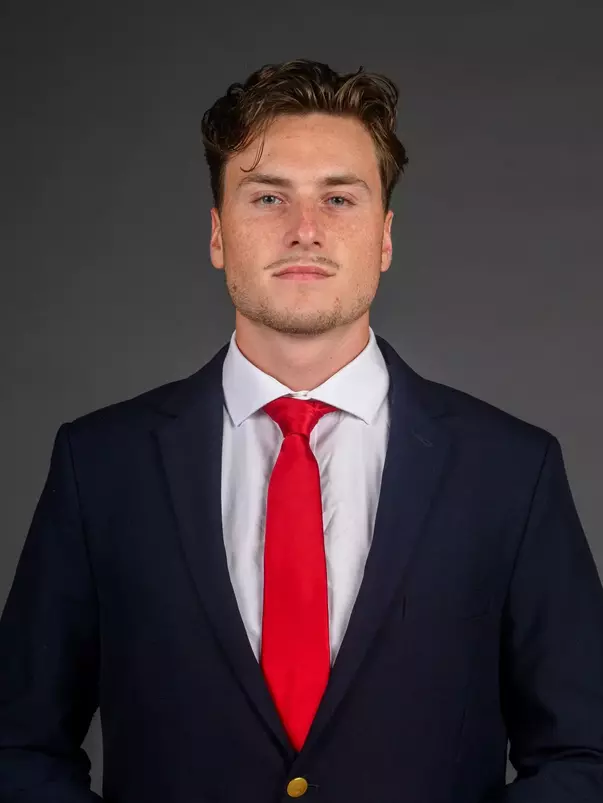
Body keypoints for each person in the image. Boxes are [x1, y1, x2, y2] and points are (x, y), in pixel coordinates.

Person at [0, 58, 602, 803]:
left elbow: (582, 751)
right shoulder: (100, 465)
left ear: (383, 238)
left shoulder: (512, 469)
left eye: (339, 198)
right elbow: (19, 745)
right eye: (267, 196)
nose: (304, 230)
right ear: (219, 234)